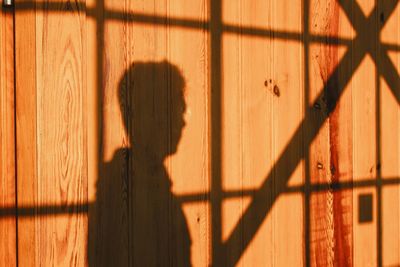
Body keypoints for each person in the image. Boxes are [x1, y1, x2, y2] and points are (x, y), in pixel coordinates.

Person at [89, 61, 191, 266]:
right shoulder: (131, 196)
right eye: (177, 109)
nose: (183, 121)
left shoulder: (153, 187)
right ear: (153, 114)